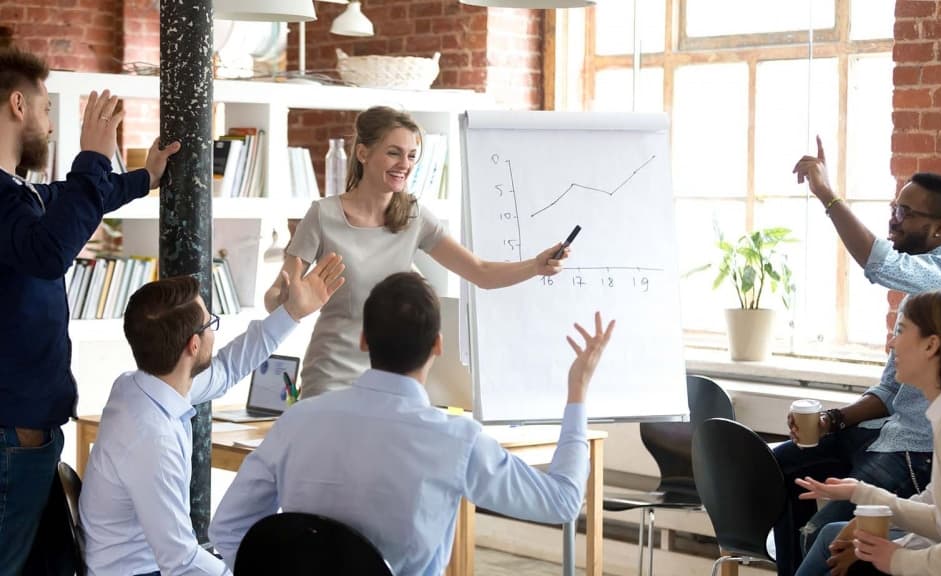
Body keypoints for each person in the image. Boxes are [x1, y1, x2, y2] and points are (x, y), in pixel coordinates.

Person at [211, 272, 615, 575]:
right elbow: (561, 502)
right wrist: (577, 391)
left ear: (364, 340)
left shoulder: (298, 420)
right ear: (438, 344)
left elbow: (227, 528)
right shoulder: (457, 440)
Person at [772, 137, 941, 576]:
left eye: (905, 213)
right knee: (780, 468)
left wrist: (826, 192)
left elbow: (878, 264)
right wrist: (833, 420)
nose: (893, 220)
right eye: (895, 207)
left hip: (917, 450)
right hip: (889, 431)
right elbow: (892, 387)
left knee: (824, 532)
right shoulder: (922, 292)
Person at [0, 48, 180, 575]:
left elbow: (64, 203)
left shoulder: (17, 193)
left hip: (24, 429)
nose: (50, 126)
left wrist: (143, 177)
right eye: (46, 110)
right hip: (12, 433)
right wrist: (95, 156)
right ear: (17, 105)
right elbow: (50, 250)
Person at [264, 106, 570, 397]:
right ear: (363, 153)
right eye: (394, 153)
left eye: (411, 156)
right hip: (331, 377)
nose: (405, 165)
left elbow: (481, 272)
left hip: (394, 380)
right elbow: (275, 295)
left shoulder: (413, 217)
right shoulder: (322, 215)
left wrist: (535, 265)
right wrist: (285, 299)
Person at [78, 255, 345, 576]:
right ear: (193, 345)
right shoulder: (151, 440)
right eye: (210, 323)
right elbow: (180, 561)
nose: (214, 330)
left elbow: (227, 368)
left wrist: (291, 314)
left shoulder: (136, 387)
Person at [794, 290, 941, 576]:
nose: (891, 343)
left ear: (931, 345)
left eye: (901, 330)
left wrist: (897, 560)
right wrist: (861, 492)